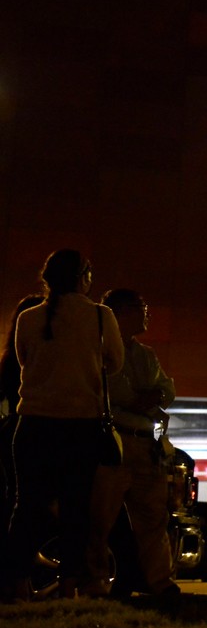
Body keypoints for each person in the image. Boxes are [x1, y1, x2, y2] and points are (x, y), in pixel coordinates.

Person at [0, 251, 122, 602]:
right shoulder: (100, 315)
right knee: (75, 507)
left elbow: (24, 360)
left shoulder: (29, 317)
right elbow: (114, 363)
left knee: (27, 506)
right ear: (83, 277)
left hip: (33, 423)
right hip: (80, 425)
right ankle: (69, 585)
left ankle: (17, 583)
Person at [86, 287, 179, 597]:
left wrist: (149, 397)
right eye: (142, 308)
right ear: (122, 312)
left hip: (145, 442)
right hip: (114, 440)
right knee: (100, 519)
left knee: (153, 517)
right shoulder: (99, 350)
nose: (147, 314)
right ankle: (96, 582)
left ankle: (159, 582)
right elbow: (119, 394)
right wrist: (148, 398)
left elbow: (166, 390)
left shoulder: (145, 353)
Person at [0, 295, 42, 561]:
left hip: (13, 432)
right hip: (33, 431)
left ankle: (13, 566)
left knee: (17, 499)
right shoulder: (40, 363)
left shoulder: (10, 361)